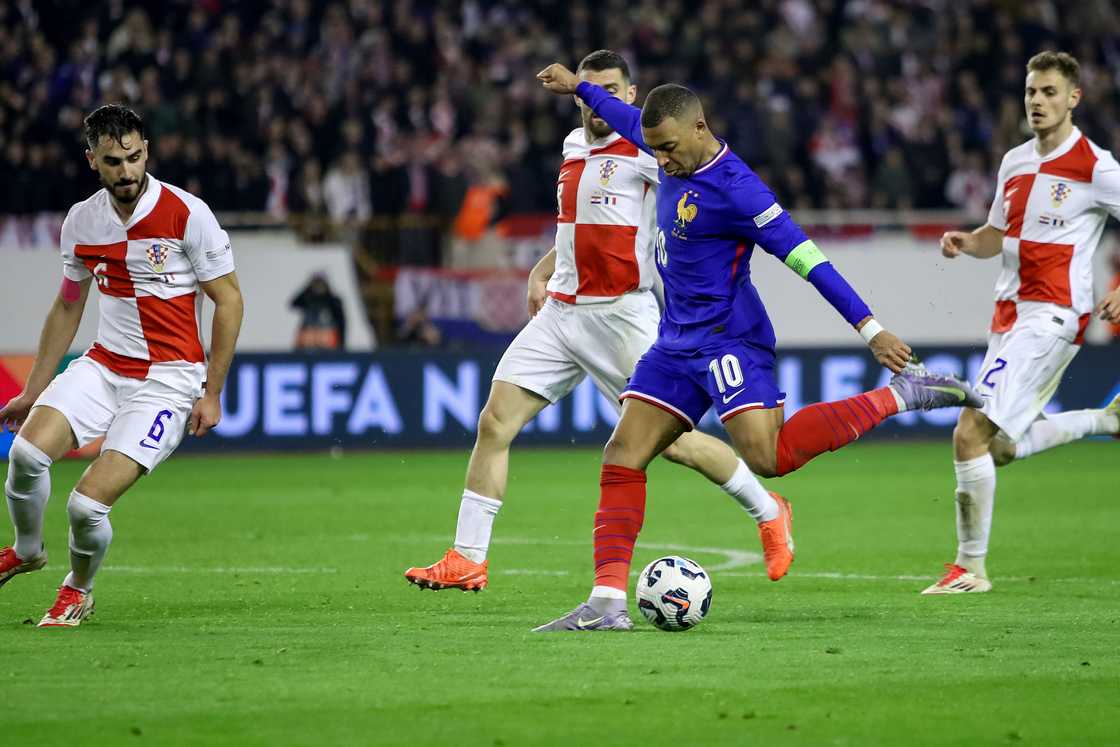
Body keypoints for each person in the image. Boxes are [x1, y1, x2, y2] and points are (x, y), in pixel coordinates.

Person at [532, 59, 981, 631]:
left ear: (699, 127)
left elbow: (809, 260)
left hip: (730, 340)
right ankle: (605, 605)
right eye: (654, 149)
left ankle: (904, 394)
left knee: (769, 458)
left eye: (667, 149)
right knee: (622, 454)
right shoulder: (663, 143)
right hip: (676, 341)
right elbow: (622, 116)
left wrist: (871, 329)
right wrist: (578, 86)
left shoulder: (739, 191)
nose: (660, 161)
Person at [404, 50, 800, 599]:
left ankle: (768, 509)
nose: (598, 103)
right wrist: (544, 269)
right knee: (494, 423)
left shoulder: (650, 153)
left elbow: (703, 184)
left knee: (674, 445)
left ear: (630, 96)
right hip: (560, 313)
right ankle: (467, 558)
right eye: (588, 92)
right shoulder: (573, 147)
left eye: (611, 91)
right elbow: (577, 225)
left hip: (620, 315)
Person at [0, 105, 243, 626]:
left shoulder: (186, 213)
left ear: (146, 150)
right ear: (93, 160)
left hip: (168, 382)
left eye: (134, 157)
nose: (127, 170)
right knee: (25, 455)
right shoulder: (82, 221)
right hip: (104, 366)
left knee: (85, 506)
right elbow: (69, 304)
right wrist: (33, 390)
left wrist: (212, 391)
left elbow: (229, 300)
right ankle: (26, 550)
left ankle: (77, 589)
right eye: (114, 161)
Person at [923, 51, 1120, 595]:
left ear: (1074, 98)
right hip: (1008, 315)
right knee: (999, 448)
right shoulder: (1014, 161)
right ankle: (1104, 422)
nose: (1037, 100)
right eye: (1032, 91)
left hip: (1054, 313)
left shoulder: (1095, 166)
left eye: (1050, 92)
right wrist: (968, 242)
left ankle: (970, 568)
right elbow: (996, 234)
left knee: (970, 429)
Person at [291, 272, 346, 350]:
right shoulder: (307, 299)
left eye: (320, 284)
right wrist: (307, 289)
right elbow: (293, 304)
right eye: (316, 284)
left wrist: (342, 343)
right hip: (309, 338)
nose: (318, 287)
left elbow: (341, 322)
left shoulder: (332, 301)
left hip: (327, 337)